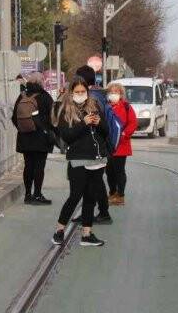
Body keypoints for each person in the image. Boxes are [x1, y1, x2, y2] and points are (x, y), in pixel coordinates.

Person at [51, 76, 108, 247]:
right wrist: (83, 123)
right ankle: (59, 230)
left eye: (83, 92)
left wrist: (99, 123)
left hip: (97, 158)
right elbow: (67, 136)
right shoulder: (64, 109)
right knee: (75, 196)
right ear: (71, 93)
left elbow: (105, 132)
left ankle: (86, 233)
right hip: (78, 159)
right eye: (77, 92)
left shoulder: (95, 106)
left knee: (91, 197)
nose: (81, 94)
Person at [73, 65, 113, 224]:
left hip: (94, 147)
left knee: (93, 182)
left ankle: (102, 213)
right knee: (94, 182)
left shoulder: (92, 98)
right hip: (100, 146)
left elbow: (95, 123)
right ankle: (95, 212)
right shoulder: (101, 94)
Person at [11, 72, 55, 205]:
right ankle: (37, 194)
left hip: (25, 137)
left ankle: (27, 195)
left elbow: (14, 117)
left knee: (28, 165)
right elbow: (53, 118)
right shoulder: (45, 97)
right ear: (41, 82)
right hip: (41, 137)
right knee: (39, 166)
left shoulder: (22, 95)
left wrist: (23, 128)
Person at [105, 82, 138, 204]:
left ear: (121, 94)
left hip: (121, 144)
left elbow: (133, 123)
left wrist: (125, 134)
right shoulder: (105, 106)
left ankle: (120, 195)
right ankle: (112, 192)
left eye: (116, 92)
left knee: (119, 170)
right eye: (111, 92)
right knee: (108, 171)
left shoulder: (126, 106)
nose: (113, 94)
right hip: (108, 145)